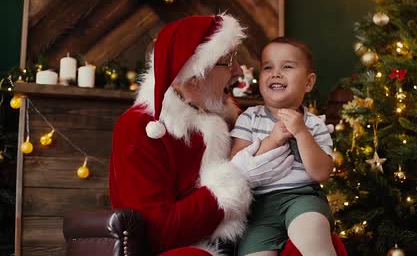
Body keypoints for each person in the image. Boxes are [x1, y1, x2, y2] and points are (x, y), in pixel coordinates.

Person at [109, 15, 295, 255]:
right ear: (193, 77)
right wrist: (236, 177)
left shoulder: (233, 114)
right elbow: (159, 232)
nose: (239, 70)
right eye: (228, 61)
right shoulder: (138, 128)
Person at [230, 37, 338, 256]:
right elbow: (235, 163)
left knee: (313, 230)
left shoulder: (314, 124)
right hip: (257, 208)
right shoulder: (249, 118)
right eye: (268, 67)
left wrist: (301, 132)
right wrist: (273, 140)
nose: (275, 73)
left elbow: (321, 172)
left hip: (301, 197)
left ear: (308, 83)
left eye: (287, 66)